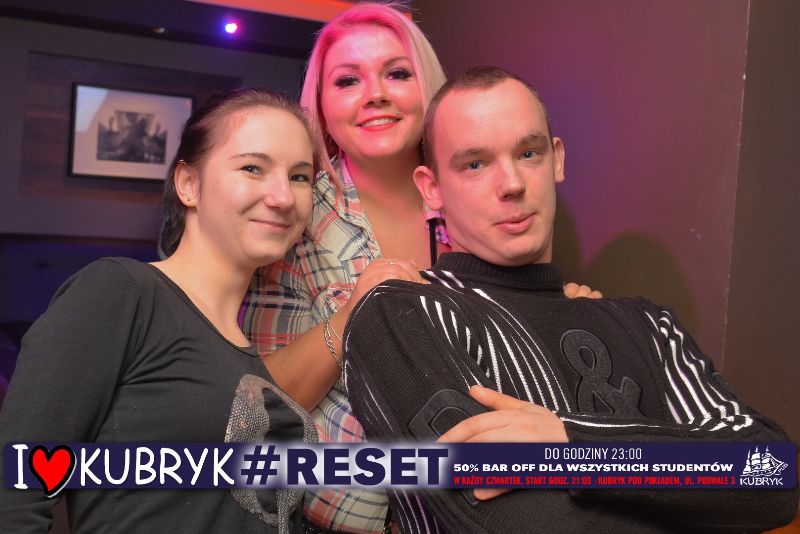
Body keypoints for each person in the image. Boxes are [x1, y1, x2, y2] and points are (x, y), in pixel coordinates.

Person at [343, 66, 800, 533]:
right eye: (474, 164)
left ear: (557, 160)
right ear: (432, 188)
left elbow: (773, 476)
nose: (512, 183)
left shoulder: (647, 325)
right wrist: (686, 483)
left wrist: (570, 444)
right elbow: (514, 523)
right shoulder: (403, 314)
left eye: (528, 153)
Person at [241, 5, 599, 532]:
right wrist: (352, 315)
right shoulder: (292, 210)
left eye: (397, 73)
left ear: (426, 87)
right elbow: (258, 402)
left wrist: (566, 316)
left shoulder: (477, 189)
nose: (375, 94)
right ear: (320, 104)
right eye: (347, 80)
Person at [0, 88, 320, 533]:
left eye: (300, 177)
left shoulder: (247, 353)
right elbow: (13, 492)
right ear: (188, 184)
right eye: (253, 168)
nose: (283, 196)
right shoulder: (122, 291)